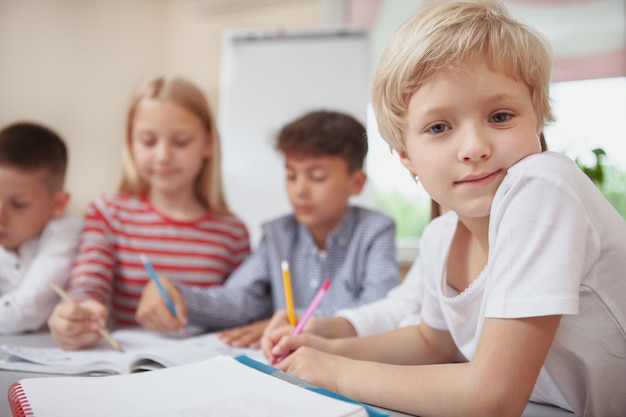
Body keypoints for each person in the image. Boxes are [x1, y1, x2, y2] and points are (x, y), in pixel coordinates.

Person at [261, 2, 626, 416]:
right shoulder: (440, 237)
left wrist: (336, 372)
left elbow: (493, 396)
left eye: (500, 116)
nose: (474, 148)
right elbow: (432, 342)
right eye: (439, 127)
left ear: (537, 120)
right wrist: (324, 347)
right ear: (407, 158)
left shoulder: (542, 186)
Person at [135, 110, 399, 348]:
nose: (299, 190)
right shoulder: (278, 235)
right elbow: (238, 298)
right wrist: (177, 294)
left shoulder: (375, 231)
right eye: (291, 175)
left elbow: (378, 308)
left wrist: (294, 321)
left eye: (317, 177)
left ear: (356, 183)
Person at [47, 75, 250, 350]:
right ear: (131, 144)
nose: (163, 155)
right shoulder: (109, 213)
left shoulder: (232, 232)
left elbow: (241, 307)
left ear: (207, 144)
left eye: (180, 142)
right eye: (148, 141)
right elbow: (88, 282)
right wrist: (78, 313)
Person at [0, 122, 82, 334]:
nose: (1, 216)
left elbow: (28, 309)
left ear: (57, 204)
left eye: (18, 204)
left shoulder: (66, 233)